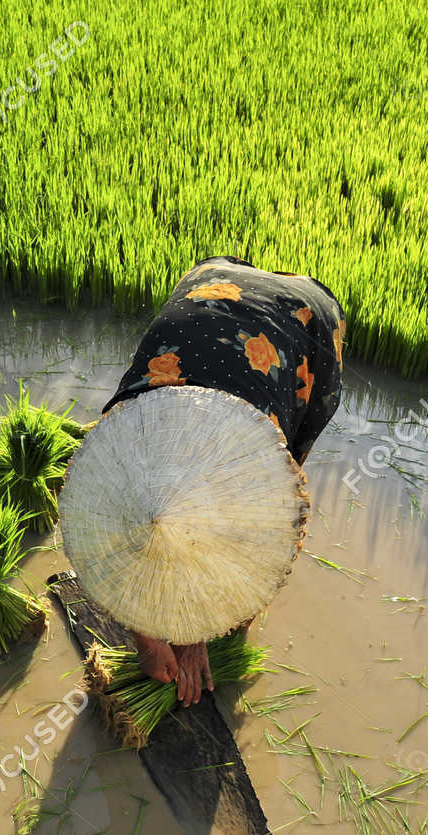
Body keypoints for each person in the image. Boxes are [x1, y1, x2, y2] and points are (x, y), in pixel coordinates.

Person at [99, 255, 346, 705]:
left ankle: (234, 627)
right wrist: (149, 641)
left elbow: (258, 547)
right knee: (161, 525)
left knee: (266, 515)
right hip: (206, 296)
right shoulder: (121, 449)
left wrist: (199, 633)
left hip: (301, 326)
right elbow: (117, 548)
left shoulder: (248, 477)